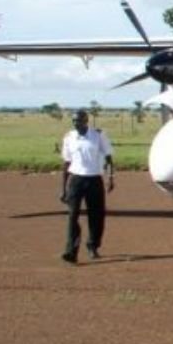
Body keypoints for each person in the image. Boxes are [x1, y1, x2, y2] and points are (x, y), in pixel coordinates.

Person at [60, 109, 114, 263]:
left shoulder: (98, 135)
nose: (77, 123)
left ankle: (93, 245)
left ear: (86, 121)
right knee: (73, 216)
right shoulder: (69, 137)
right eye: (74, 121)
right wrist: (63, 188)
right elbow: (66, 163)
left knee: (96, 215)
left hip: (94, 180)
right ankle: (71, 251)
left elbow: (109, 158)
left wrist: (110, 178)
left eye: (80, 120)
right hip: (76, 180)